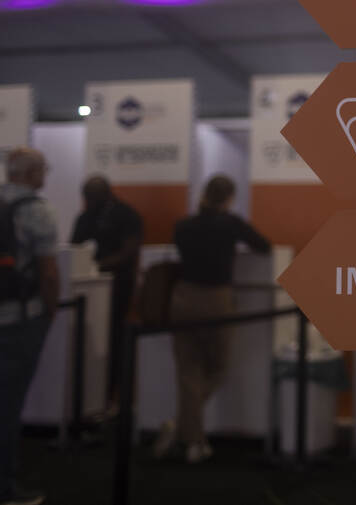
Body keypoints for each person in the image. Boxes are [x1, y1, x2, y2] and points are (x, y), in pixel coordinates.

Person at [153, 175, 270, 463]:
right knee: (218, 368)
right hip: (216, 300)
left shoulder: (183, 225)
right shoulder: (231, 224)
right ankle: (184, 431)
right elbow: (263, 246)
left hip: (183, 298)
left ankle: (190, 438)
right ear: (229, 198)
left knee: (188, 371)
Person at [0, 148, 59, 505]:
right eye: (44, 169)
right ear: (32, 172)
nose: (46, 175)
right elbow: (48, 272)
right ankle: (5, 488)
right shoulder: (38, 211)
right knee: (7, 407)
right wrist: (50, 313)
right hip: (19, 320)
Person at [70, 176, 142, 415]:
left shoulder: (127, 215)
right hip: (85, 289)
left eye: (91, 197)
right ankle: (86, 396)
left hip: (117, 287)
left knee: (114, 339)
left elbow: (129, 252)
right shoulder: (85, 217)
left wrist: (98, 266)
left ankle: (111, 396)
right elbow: (74, 247)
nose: (87, 202)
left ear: (105, 194)